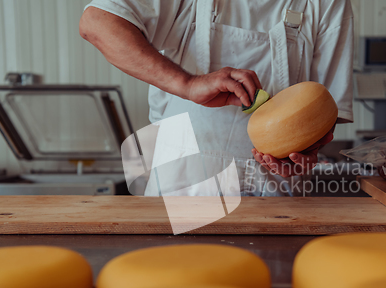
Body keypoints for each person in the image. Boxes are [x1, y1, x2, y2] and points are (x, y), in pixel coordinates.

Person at [80, 0, 354, 197]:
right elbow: (97, 22)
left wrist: (306, 151)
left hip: (276, 201)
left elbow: (325, 112)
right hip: (181, 191)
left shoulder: (330, 4)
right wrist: (188, 84)